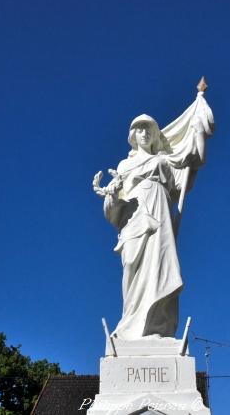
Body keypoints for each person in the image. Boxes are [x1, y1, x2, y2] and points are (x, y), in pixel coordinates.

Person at [93, 114, 197, 340]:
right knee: (131, 264)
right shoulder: (124, 165)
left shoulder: (162, 161)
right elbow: (112, 208)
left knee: (158, 266)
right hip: (133, 217)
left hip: (158, 211)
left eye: (149, 130)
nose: (145, 133)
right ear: (133, 135)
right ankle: (130, 322)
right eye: (140, 129)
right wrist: (111, 195)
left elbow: (181, 184)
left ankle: (155, 327)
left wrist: (191, 151)